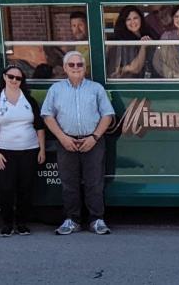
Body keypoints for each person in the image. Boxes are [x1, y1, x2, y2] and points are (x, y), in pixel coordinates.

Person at [41, 51, 115, 235]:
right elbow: (47, 115)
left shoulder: (96, 88)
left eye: (79, 65)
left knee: (95, 182)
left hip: (93, 141)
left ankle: (97, 219)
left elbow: (107, 115)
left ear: (84, 68)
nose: (75, 68)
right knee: (69, 183)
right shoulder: (56, 90)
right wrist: (62, 138)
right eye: (71, 65)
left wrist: (94, 137)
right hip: (66, 141)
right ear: (65, 68)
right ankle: (72, 220)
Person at [0, 65, 46, 237]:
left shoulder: (29, 100)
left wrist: (41, 149)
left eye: (18, 78)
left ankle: (22, 223)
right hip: (5, 151)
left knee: (25, 188)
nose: (14, 80)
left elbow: (39, 127)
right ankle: (7, 223)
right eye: (11, 77)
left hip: (29, 150)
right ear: (4, 77)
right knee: (6, 189)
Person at [106, 5, 154, 79]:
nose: (133, 22)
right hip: (128, 85)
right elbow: (136, 69)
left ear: (141, 18)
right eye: (128, 19)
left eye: (135, 18)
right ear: (124, 22)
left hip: (151, 81)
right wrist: (143, 46)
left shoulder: (149, 34)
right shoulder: (120, 42)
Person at [152, 5, 179, 78]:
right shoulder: (167, 37)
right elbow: (157, 61)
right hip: (175, 82)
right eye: (176, 16)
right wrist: (173, 75)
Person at [69, 11, 91, 75]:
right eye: (74, 26)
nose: (77, 30)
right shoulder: (76, 45)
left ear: (88, 25)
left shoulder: (93, 44)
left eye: (80, 25)